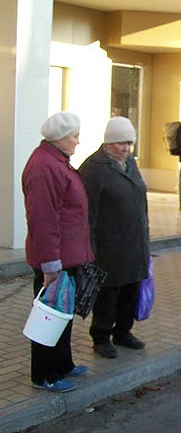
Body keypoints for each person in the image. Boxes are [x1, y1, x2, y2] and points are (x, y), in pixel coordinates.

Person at [22, 112, 94, 393]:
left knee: (62, 315)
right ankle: (44, 375)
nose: (78, 141)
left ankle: (63, 364)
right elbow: (42, 219)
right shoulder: (44, 166)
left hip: (67, 256)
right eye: (74, 135)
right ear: (60, 137)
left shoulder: (56, 161)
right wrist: (50, 264)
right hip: (55, 260)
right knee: (48, 318)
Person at [79, 117, 150, 359]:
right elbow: (85, 214)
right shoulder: (93, 168)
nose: (127, 149)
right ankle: (101, 336)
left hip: (134, 243)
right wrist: (87, 249)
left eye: (130, 143)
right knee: (108, 295)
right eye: (121, 143)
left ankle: (123, 332)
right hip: (108, 246)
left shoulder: (129, 163)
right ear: (108, 142)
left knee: (130, 290)